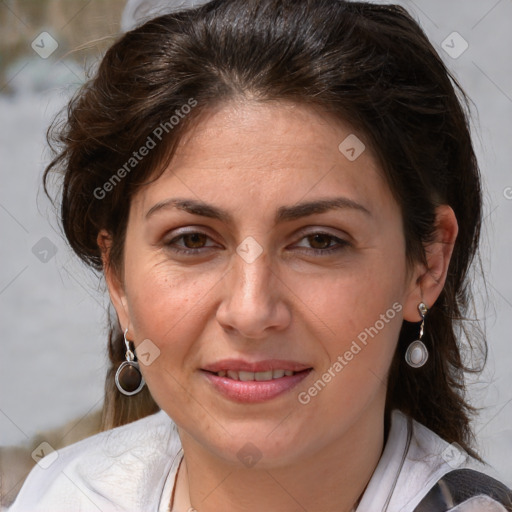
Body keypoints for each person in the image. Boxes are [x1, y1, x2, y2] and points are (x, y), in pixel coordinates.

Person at [7, 0, 512, 511]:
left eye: (319, 241)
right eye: (192, 240)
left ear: (426, 265)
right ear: (118, 279)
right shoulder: (61, 493)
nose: (250, 312)